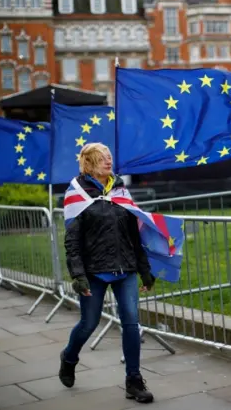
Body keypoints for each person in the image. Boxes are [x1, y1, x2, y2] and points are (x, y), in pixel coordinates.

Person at [58, 143, 155, 404]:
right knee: (88, 323)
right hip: (94, 272)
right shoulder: (76, 194)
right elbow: (72, 242)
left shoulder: (121, 190)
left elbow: (134, 233)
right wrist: (78, 275)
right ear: (89, 163)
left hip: (126, 269)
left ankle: (134, 380)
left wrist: (145, 270)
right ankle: (69, 357)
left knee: (131, 323)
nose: (108, 161)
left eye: (109, 157)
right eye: (102, 158)